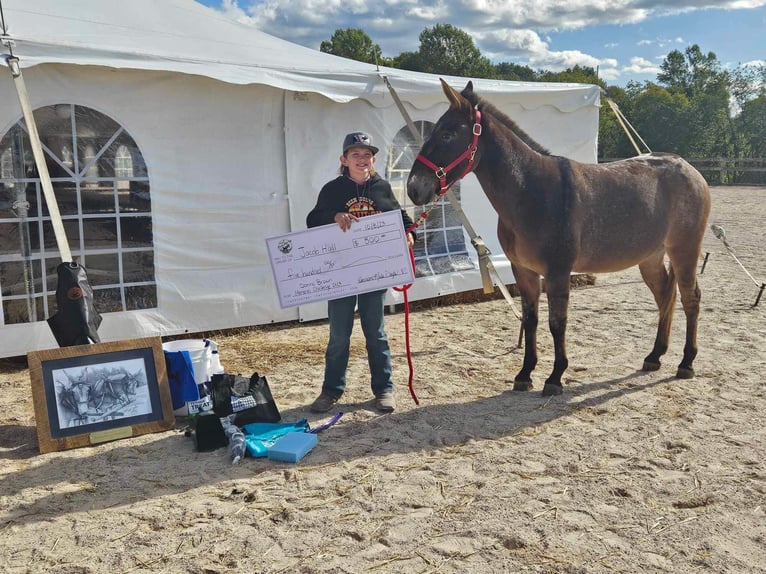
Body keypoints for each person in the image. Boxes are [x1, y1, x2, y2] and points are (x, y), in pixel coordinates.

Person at [306, 132, 415, 414]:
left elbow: (400, 216)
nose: (362, 159)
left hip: (373, 271)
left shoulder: (381, 187)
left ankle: (383, 390)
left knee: (375, 332)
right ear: (344, 160)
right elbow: (313, 219)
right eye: (355, 155)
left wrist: (407, 232)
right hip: (340, 272)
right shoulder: (333, 190)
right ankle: (331, 391)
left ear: (373, 159)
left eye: (367, 155)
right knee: (339, 334)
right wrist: (334, 217)